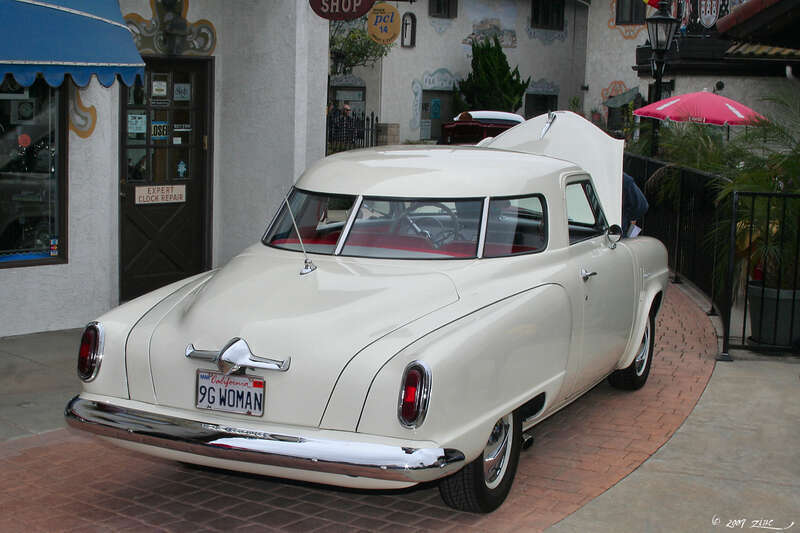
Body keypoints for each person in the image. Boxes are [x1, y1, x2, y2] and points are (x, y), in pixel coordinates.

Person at [622, 172, 648, 238]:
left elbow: (642, 206)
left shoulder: (624, 180)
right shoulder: (624, 179)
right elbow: (642, 206)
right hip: (620, 230)